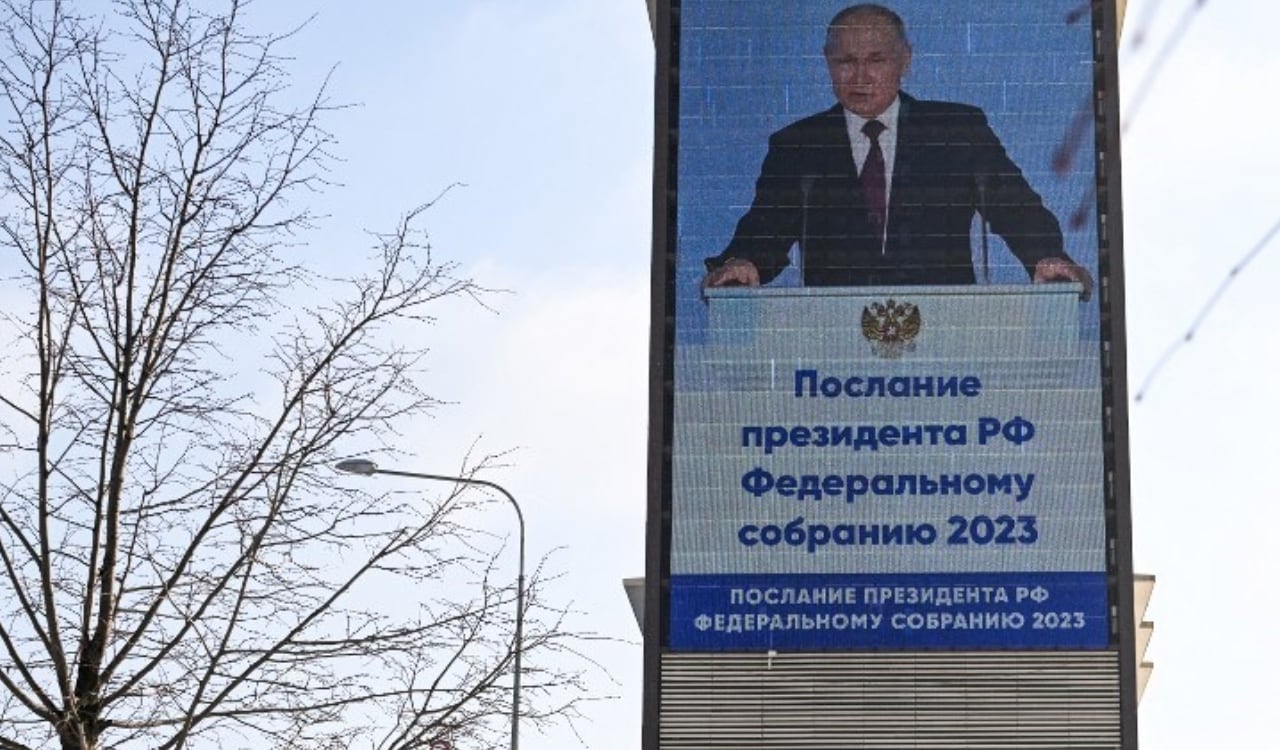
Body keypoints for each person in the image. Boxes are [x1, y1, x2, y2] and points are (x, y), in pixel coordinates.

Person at [702, 3, 1093, 299]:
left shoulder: (956, 131)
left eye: (876, 60)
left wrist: (1045, 255)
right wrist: (743, 262)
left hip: (949, 339)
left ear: (905, 60)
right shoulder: (798, 145)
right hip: (833, 347)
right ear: (827, 63)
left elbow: (1017, 208)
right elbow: (765, 228)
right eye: (846, 62)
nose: (860, 77)